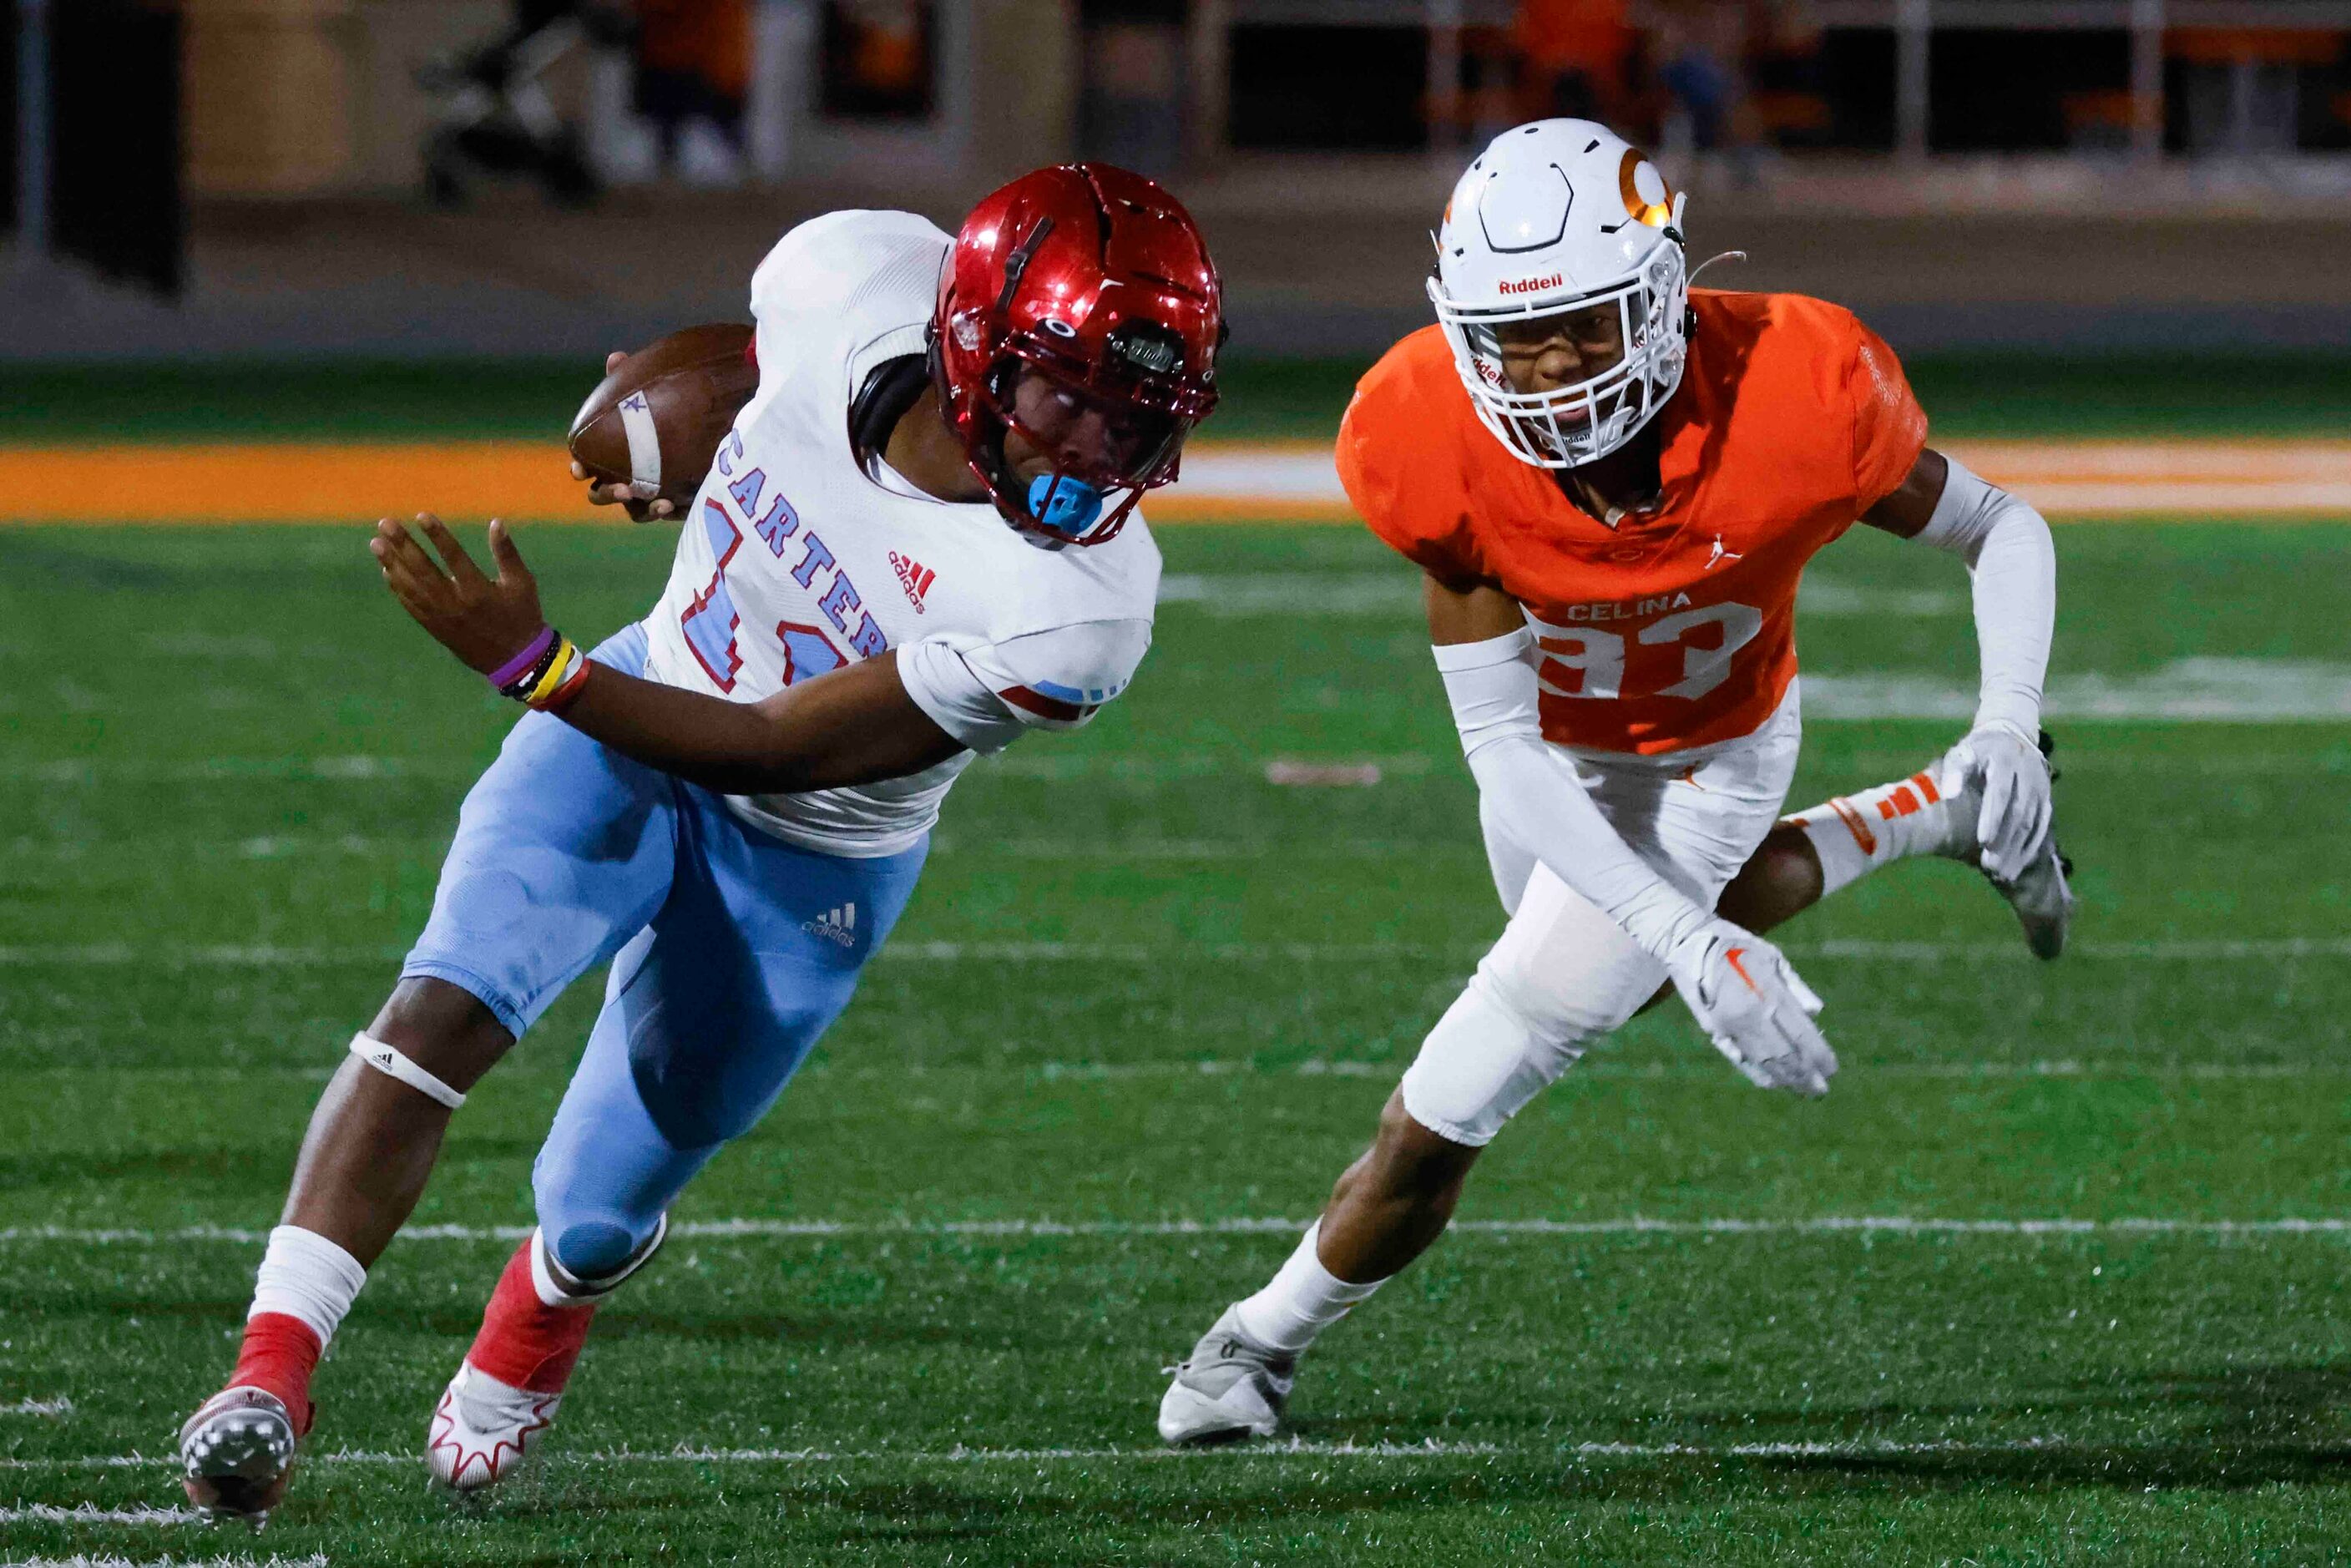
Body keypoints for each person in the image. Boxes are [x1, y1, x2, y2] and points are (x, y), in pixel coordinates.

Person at [174, 162, 1224, 1520]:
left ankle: (544, 1306)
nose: (1094, 447)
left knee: (602, 1203)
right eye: (1066, 395)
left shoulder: (1078, 613)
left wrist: (540, 669)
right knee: (442, 1007)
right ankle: (268, 1373)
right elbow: (760, 365)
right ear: (969, 343)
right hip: (633, 709)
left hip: (806, 851)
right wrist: (675, 420)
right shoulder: (852, 272)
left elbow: (776, 744)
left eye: (1134, 418)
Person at [1156, 118, 2071, 1445]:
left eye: (1582, 326)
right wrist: (1683, 932)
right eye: (1513, 336)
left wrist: (2008, 711)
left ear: (1661, 290)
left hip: (1713, 755)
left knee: (1472, 1075)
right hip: (1549, 766)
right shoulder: (1423, 430)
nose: (1547, 371)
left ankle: (1251, 1348)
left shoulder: (1797, 381)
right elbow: (1502, 748)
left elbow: (2001, 524)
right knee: (1635, 964)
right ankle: (1937, 814)